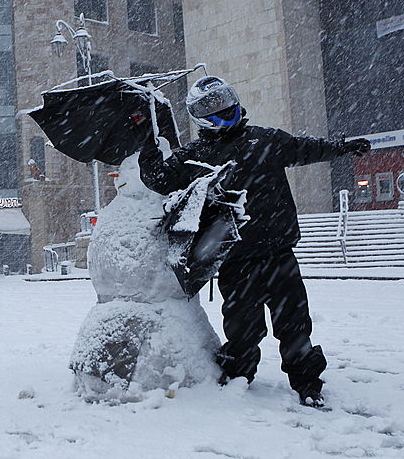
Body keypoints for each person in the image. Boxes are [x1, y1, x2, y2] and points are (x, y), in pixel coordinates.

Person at [138, 76, 371, 408]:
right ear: (198, 115)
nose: (220, 109)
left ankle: (307, 384)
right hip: (235, 258)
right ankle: (237, 380)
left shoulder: (266, 140)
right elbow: (159, 179)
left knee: (294, 325)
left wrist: (343, 146)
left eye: (222, 100)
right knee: (242, 330)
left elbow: (307, 148)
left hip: (278, 253)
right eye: (210, 106)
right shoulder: (193, 157)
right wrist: (147, 142)